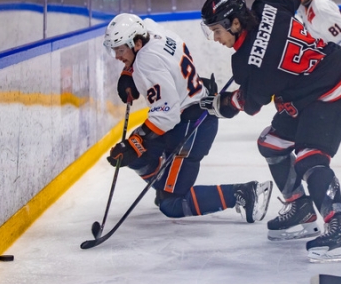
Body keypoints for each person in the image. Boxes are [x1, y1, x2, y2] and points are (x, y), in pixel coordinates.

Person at [199, 0, 341, 262]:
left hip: (330, 92)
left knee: (310, 158)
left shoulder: (245, 64)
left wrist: (221, 103)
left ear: (235, 23)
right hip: (319, 78)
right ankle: (301, 207)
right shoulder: (268, 5)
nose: (216, 38)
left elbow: (249, 103)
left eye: (217, 30)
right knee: (272, 143)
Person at [103, 13, 272, 223]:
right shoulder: (152, 32)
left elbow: (167, 114)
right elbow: (146, 24)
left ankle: (244, 193)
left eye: (120, 49)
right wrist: (128, 73)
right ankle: (167, 185)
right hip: (186, 114)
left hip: (192, 125)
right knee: (137, 156)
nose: (117, 55)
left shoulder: (147, 63)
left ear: (137, 43)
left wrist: (136, 139)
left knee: (171, 204)